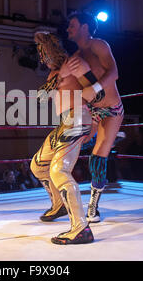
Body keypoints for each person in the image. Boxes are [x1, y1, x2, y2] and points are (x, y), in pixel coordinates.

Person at [30, 31, 94, 245]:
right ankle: (58, 205)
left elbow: (96, 92)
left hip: (78, 118)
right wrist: (59, 77)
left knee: (59, 170)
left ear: (52, 50)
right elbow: (39, 99)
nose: (42, 59)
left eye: (44, 53)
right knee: (38, 166)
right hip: (65, 122)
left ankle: (81, 228)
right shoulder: (55, 74)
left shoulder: (76, 64)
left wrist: (94, 125)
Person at [66, 11, 124, 223]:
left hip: (111, 110)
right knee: (69, 144)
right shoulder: (75, 58)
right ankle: (62, 197)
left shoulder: (99, 45)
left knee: (98, 156)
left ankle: (93, 206)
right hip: (92, 111)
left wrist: (96, 87)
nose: (68, 29)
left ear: (85, 26)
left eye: (72, 25)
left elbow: (114, 72)